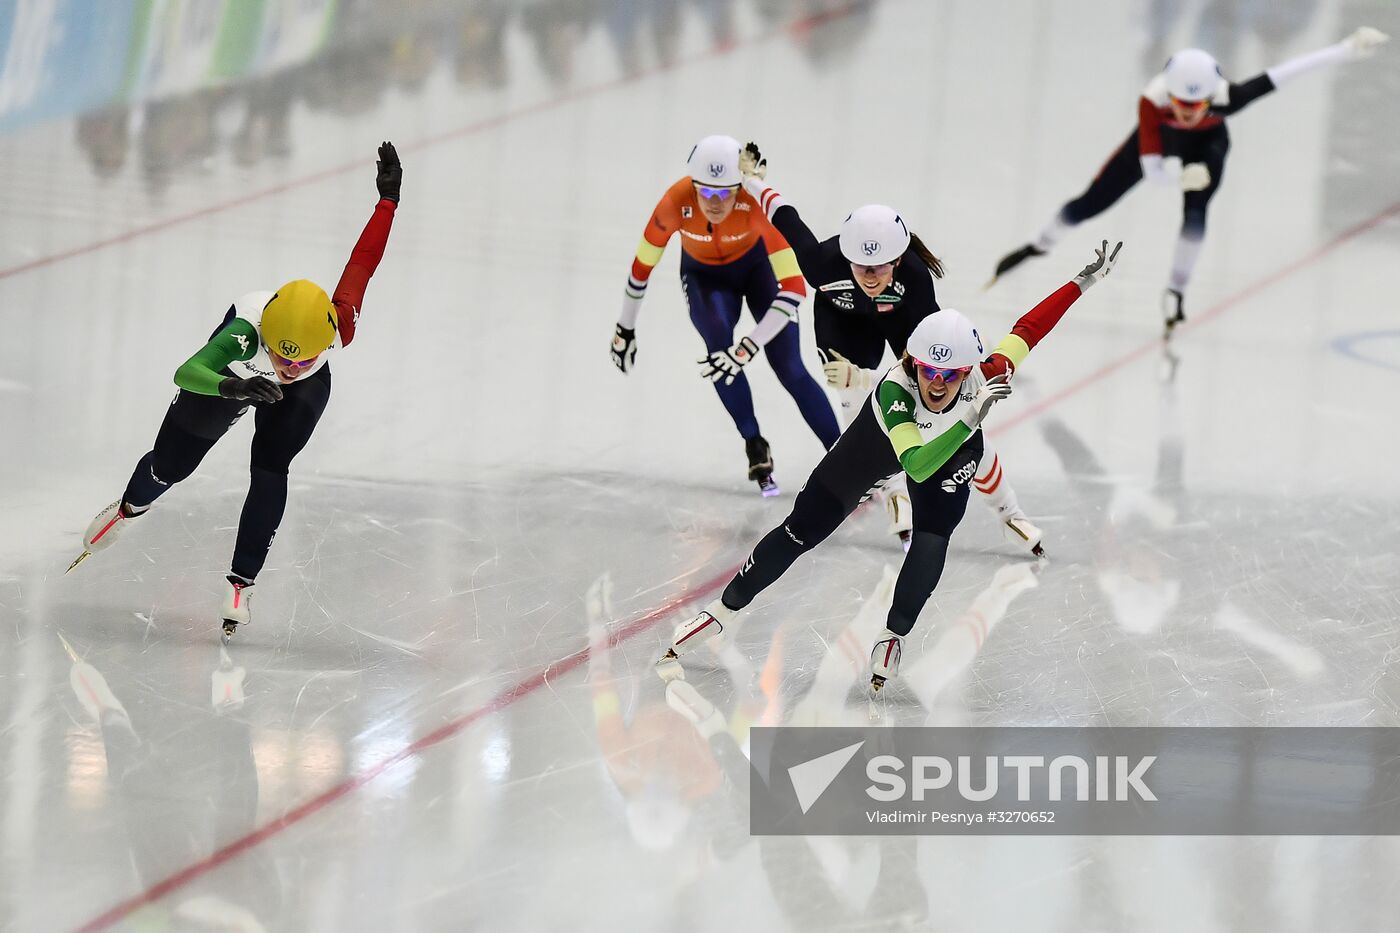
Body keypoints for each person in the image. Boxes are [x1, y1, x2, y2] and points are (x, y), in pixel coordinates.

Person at [659, 241, 1123, 692]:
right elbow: (915, 466)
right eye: (927, 370)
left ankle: (892, 635)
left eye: (950, 375)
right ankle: (724, 609)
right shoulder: (894, 391)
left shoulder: (986, 372)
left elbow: (1030, 328)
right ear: (909, 361)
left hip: (954, 451)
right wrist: (968, 416)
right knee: (802, 529)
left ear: (968, 371)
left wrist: (1081, 281)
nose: (937, 383)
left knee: (932, 536)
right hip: (881, 449)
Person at [68, 142, 402, 641]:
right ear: (267, 335)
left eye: (304, 359)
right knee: (171, 466)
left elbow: (362, 262)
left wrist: (387, 201)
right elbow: (187, 371)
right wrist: (233, 383)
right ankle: (130, 507)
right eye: (285, 358)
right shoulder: (244, 331)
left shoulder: (337, 323)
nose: (291, 367)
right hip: (231, 376)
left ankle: (241, 582)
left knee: (270, 468)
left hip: (280, 393)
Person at [737, 144, 1045, 554]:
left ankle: (1010, 513)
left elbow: (928, 365)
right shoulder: (820, 263)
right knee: (855, 405)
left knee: (945, 410)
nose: (869, 276)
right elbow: (785, 216)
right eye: (860, 267)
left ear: (899, 260)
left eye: (879, 266)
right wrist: (753, 180)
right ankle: (893, 486)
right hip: (842, 321)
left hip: (904, 324)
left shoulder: (916, 282)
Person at [989, 26, 1387, 337]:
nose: (1188, 112)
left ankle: (1176, 290)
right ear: (1169, 97)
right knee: (1093, 200)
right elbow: (1153, 171)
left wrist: (1346, 49)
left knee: (1196, 213)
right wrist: (1180, 174)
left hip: (1208, 147)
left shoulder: (1226, 96)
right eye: (1180, 104)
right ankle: (1037, 246)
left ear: (1210, 97)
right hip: (1159, 147)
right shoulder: (1152, 102)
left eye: (1197, 106)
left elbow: (1282, 74)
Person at [610, 134, 840, 495]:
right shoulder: (675, 200)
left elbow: (795, 288)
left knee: (790, 368)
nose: (715, 203)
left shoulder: (755, 203)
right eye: (706, 192)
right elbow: (641, 269)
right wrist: (625, 328)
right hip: (705, 279)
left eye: (724, 194)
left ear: (739, 188)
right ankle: (754, 443)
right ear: (693, 186)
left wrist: (748, 347)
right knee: (719, 349)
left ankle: (841, 455)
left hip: (758, 271)